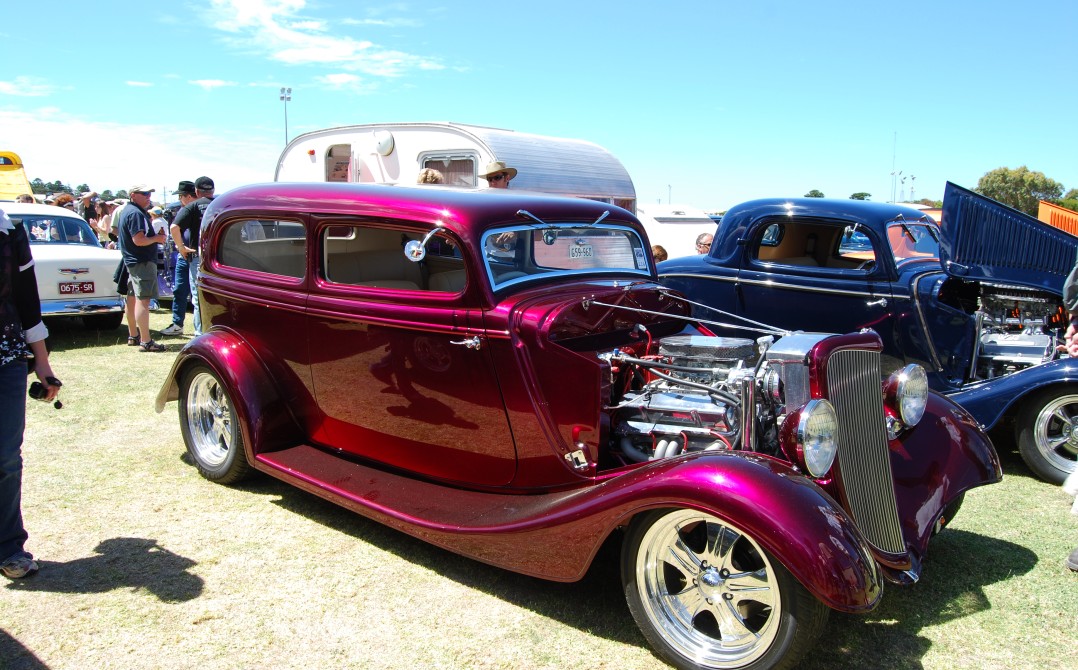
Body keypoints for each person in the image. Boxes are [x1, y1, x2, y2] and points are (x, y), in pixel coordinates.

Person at [0, 207, 61, 580]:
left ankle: (9, 547)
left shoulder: (10, 231)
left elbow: (27, 300)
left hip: (5, 354)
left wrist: (44, 364)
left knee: (6, 456)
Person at [117, 185, 167, 352]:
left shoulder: (128, 211)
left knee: (132, 298)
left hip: (133, 261)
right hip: (141, 261)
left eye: (150, 193)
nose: (148, 197)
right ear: (133, 195)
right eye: (144, 194)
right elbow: (139, 240)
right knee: (143, 300)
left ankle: (133, 335)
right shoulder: (136, 213)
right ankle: (146, 341)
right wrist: (157, 238)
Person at [172, 176, 215, 335]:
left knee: (198, 297)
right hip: (218, 258)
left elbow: (174, 227)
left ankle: (199, 334)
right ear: (213, 191)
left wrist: (181, 247)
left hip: (198, 257)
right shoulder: (219, 205)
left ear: (196, 191)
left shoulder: (192, 207)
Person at [162, 181, 197, 336]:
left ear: (188, 196)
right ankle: (177, 323)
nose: (180, 199)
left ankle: (200, 328)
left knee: (197, 293)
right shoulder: (184, 210)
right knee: (179, 289)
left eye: (181, 196)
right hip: (184, 254)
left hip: (196, 254)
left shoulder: (200, 209)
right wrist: (180, 247)